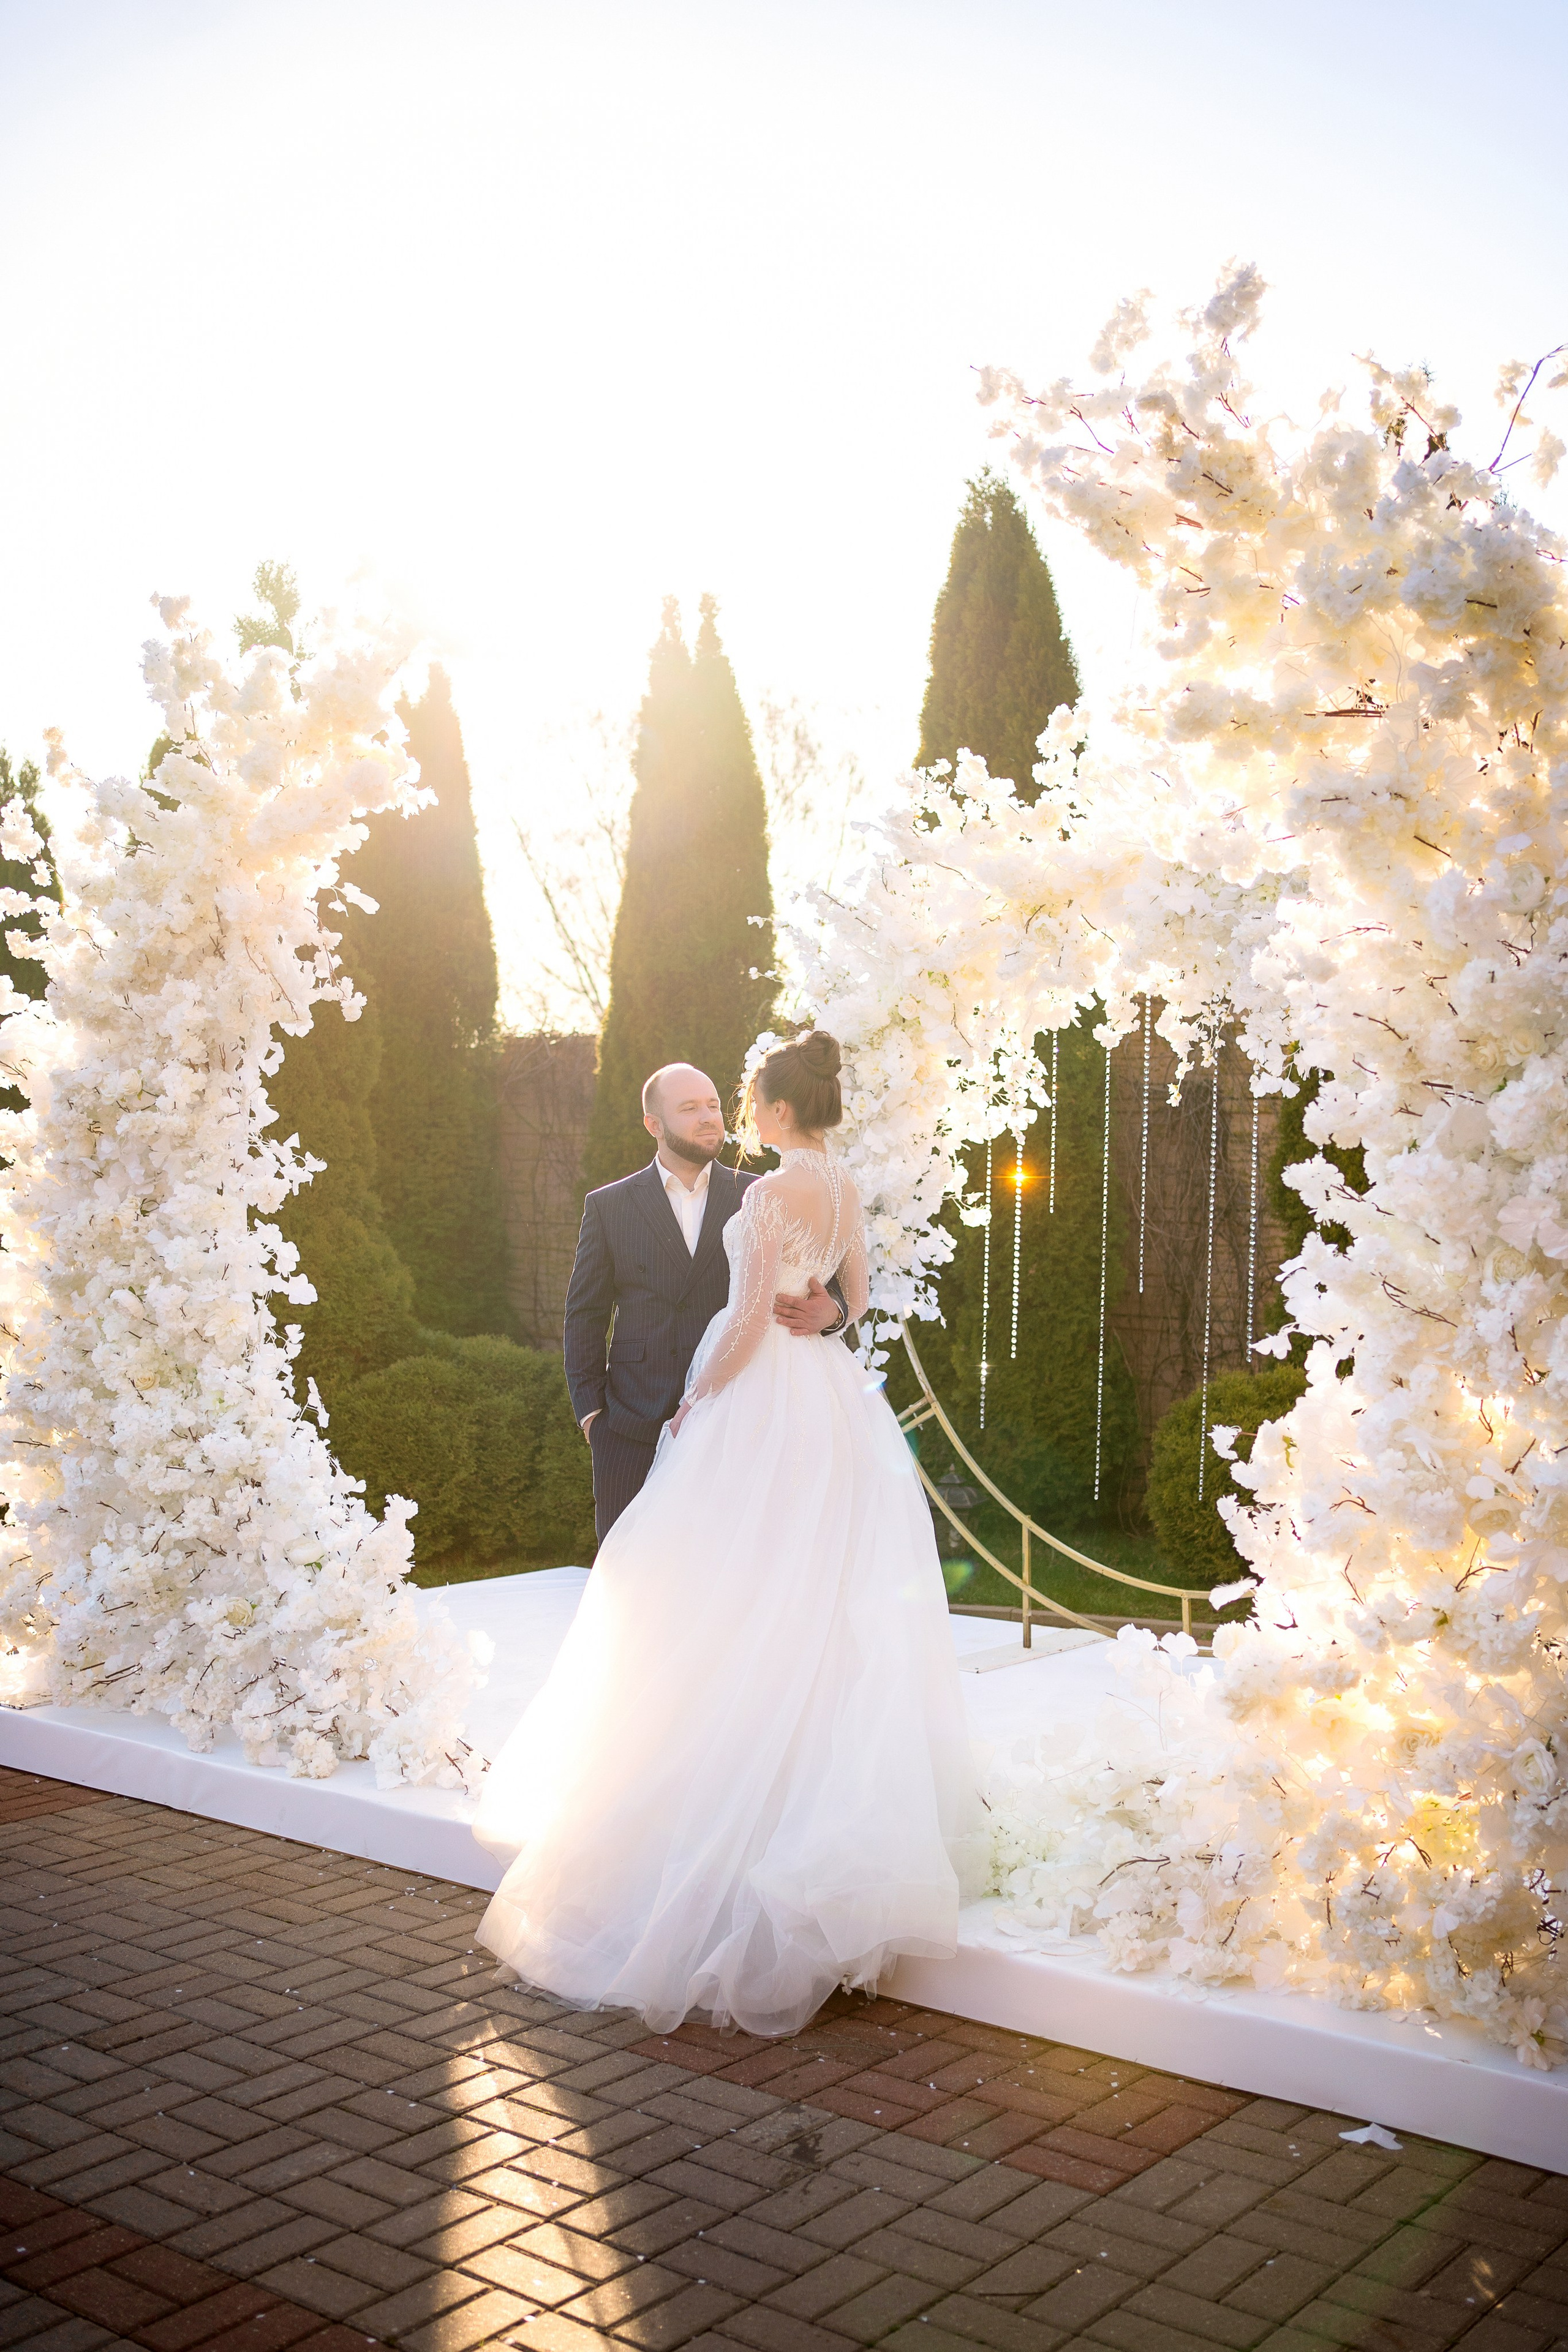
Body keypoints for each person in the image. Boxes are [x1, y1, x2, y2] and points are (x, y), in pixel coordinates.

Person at [473, 1031, 979, 2038]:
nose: (736, 1115)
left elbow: (748, 1322)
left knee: (728, 1596)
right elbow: (859, 1300)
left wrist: (695, 1404)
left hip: (756, 1404)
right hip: (830, 1407)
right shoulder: (839, 1185)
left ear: (778, 1111)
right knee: (816, 1597)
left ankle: (719, 1806)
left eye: (745, 1100)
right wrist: (825, 1312)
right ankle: (809, 1795)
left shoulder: (766, 1193)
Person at [564, 1060, 848, 1540]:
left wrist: (833, 1312)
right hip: (632, 1425)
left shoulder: (761, 1193)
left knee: (718, 1585)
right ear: (654, 1125)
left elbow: (830, 1276)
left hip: (736, 1422)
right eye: (689, 1108)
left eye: (714, 1105)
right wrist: (593, 1416)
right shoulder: (609, 1206)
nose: (709, 1117)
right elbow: (584, 1314)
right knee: (628, 1582)